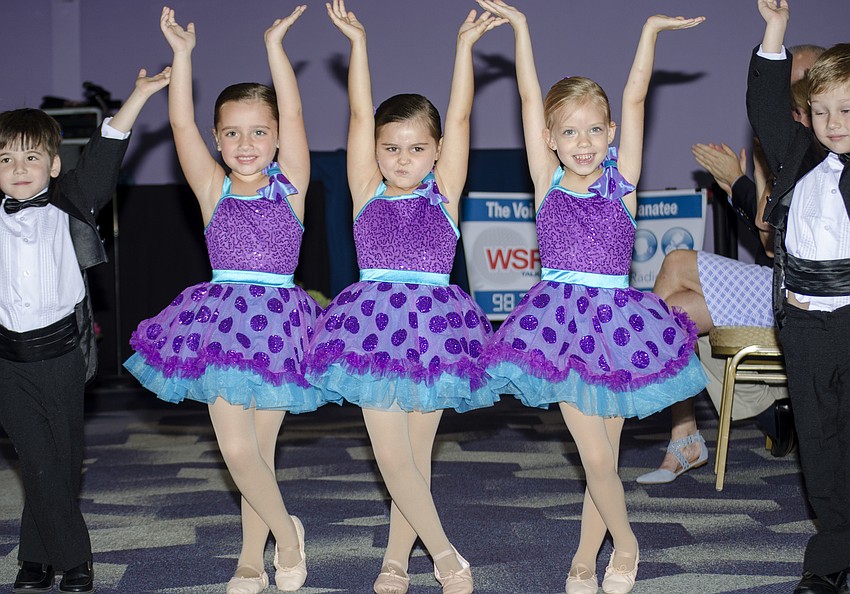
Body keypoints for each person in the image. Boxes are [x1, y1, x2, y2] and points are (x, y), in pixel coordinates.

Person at [474, 2, 707, 593]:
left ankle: (586, 556)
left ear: (609, 135)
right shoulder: (545, 180)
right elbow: (528, 98)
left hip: (617, 328)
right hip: (557, 327)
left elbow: (635, 96)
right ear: (550, 140)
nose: (583, 142)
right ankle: (627, 544)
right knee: (596, 457)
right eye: (569, 131)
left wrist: (649, 33)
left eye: (595, 130)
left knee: (604, 451)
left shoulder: (621, 182)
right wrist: (522, 31)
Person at [304, 2, 503, 593]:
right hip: (370, 330)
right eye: (391, 147)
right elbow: (360, 110)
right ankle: (445, 556)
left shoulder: (447, 193)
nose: (402, 158)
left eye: (417, 148)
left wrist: (464, 49)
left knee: (413, 462)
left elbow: (462, 115)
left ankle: (394, 560)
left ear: (437, 151)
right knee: (392, 459)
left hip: (437, 331)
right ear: (375, 150)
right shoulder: (366, 190)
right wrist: (358, 44)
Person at [123, 7, 324, 593]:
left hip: (282, 326)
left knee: (259, 450)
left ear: (278, 137)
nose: (245, 143)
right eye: (231, 133)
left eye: (259, 131)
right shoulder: (212, 187)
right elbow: (180, 125)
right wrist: (183, 57)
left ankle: (249, 559)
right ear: (218, 139)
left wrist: (275, 48)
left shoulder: (293, 185)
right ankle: (288, 536)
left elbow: (295, 108)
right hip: (221, 326)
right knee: (236, 450)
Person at [0, 66, 169, 593]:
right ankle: (75, 560)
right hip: (7, 362)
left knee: (61, 461)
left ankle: (33, 558)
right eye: (5, 159)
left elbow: (106, 149)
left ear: (54, 163)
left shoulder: (71, 199)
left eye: (31, 157)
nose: (18, 168)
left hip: (62, 356)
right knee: (35, 457)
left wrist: (139, 93)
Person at [636, 44, 823, 484]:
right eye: (787, 83)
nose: (791, 92)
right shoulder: (785, 141)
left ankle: (667, 415)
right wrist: (750, 179)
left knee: (677, 263)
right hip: (775, 282)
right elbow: (767, 235)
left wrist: (739, 185)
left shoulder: (829, 146)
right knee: (673, 313)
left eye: (800, 81)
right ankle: (683, 434)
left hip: (802, 292)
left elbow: (777, 244)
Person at [748, 1, 850, 592]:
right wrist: (775, 34)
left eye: (846, 109)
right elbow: (764, 103)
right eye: (820, 111)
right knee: (817, 444)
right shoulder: (797, 155)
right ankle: (832, 554)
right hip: (805, 326)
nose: (834, 123)